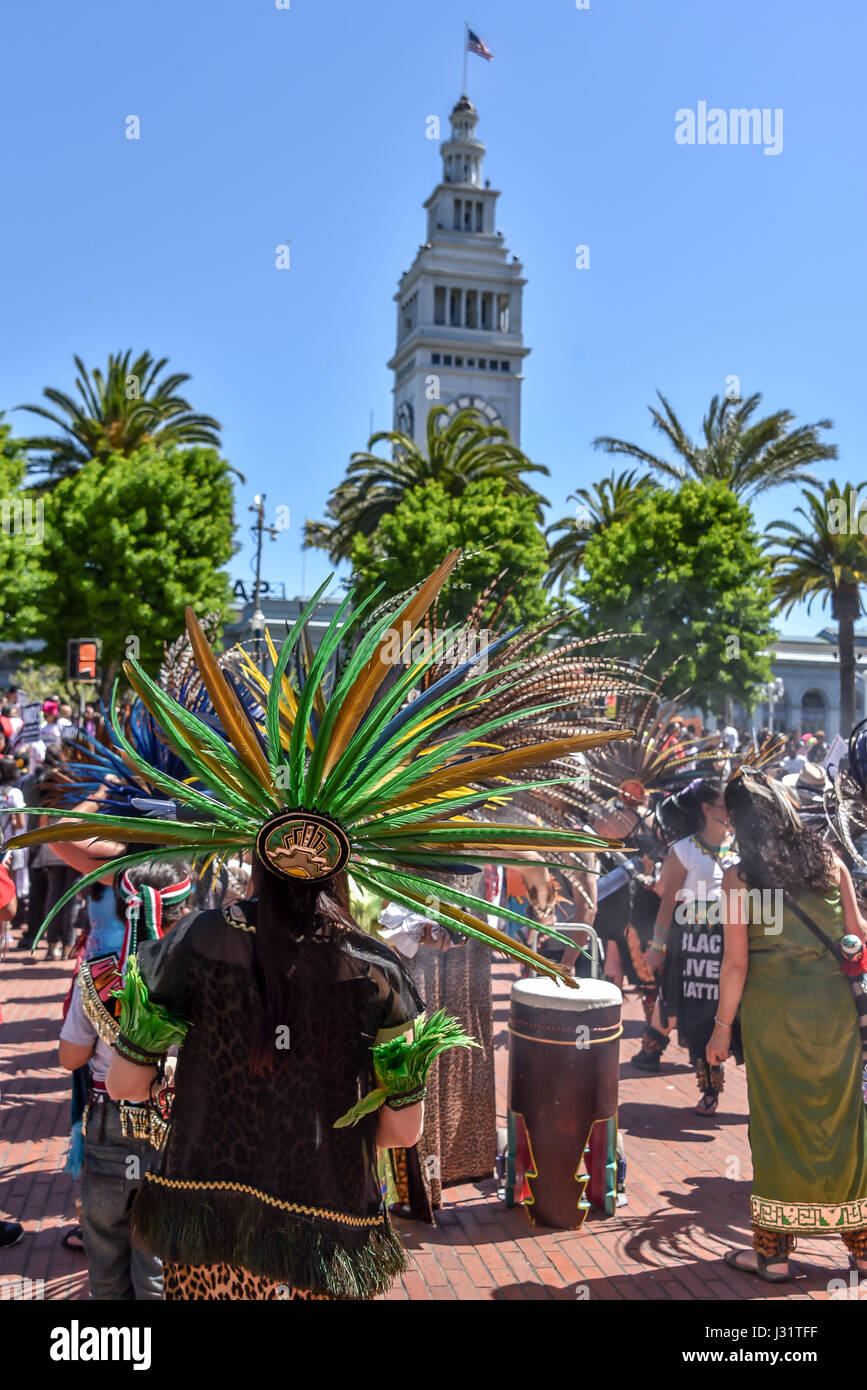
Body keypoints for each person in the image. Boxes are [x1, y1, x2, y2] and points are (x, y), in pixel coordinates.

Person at [6, 560, 625, 1299]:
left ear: (254, 859)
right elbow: (401, 1133)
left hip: (210, 1223)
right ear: (343, 867)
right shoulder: (377, 969)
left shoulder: (197, 941)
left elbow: (130, 1084)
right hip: (327, 1232)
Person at [707, 769, 867, 1281]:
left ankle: (773, 1254)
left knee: (775, 1124)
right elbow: (857, 936)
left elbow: (736, 965)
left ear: (738, 820)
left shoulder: (739, 879)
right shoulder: (830, 862)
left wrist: (721, 1029)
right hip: (834, 1013)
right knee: (844, 1120)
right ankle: (861, 1246)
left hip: (772, 1014)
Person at [58, 861, 193, 1299]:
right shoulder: (204, 981)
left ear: (122, 909)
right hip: (175, 1134)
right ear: (186, 911)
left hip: (108, 1131)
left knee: (105, 1267)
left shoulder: (97, 976)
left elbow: (69, 1057)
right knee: (157, 1269)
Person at [632, 777, 739, 1115]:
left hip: (733, 943)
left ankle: (651, 1051)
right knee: (695, 1012)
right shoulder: (684, 850)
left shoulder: (740, 847)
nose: (731, 810)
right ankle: (709, 1088)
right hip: (693, 946)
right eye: (724, 804)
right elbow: (668, 904)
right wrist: (657, 946)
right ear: (707, 808)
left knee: (728, 1013)